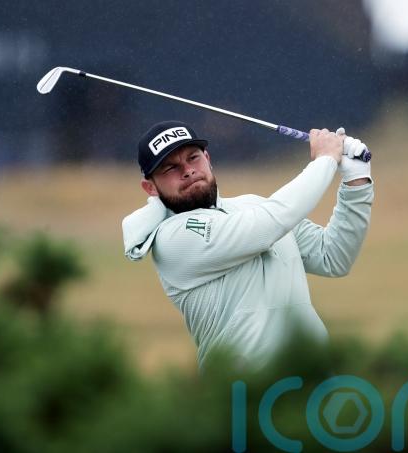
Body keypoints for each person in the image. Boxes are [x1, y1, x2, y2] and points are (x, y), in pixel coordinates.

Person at [122, 120, 373, 372]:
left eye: (193, 158)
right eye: (170, 168)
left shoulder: (253, 206)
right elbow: (269, 223)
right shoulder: (171, 239)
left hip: (314, 379)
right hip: (243, 389)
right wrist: (325, 160)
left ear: (207, 159)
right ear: (150, 187)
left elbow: (333, 257)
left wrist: (356, 180)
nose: (188, 170)